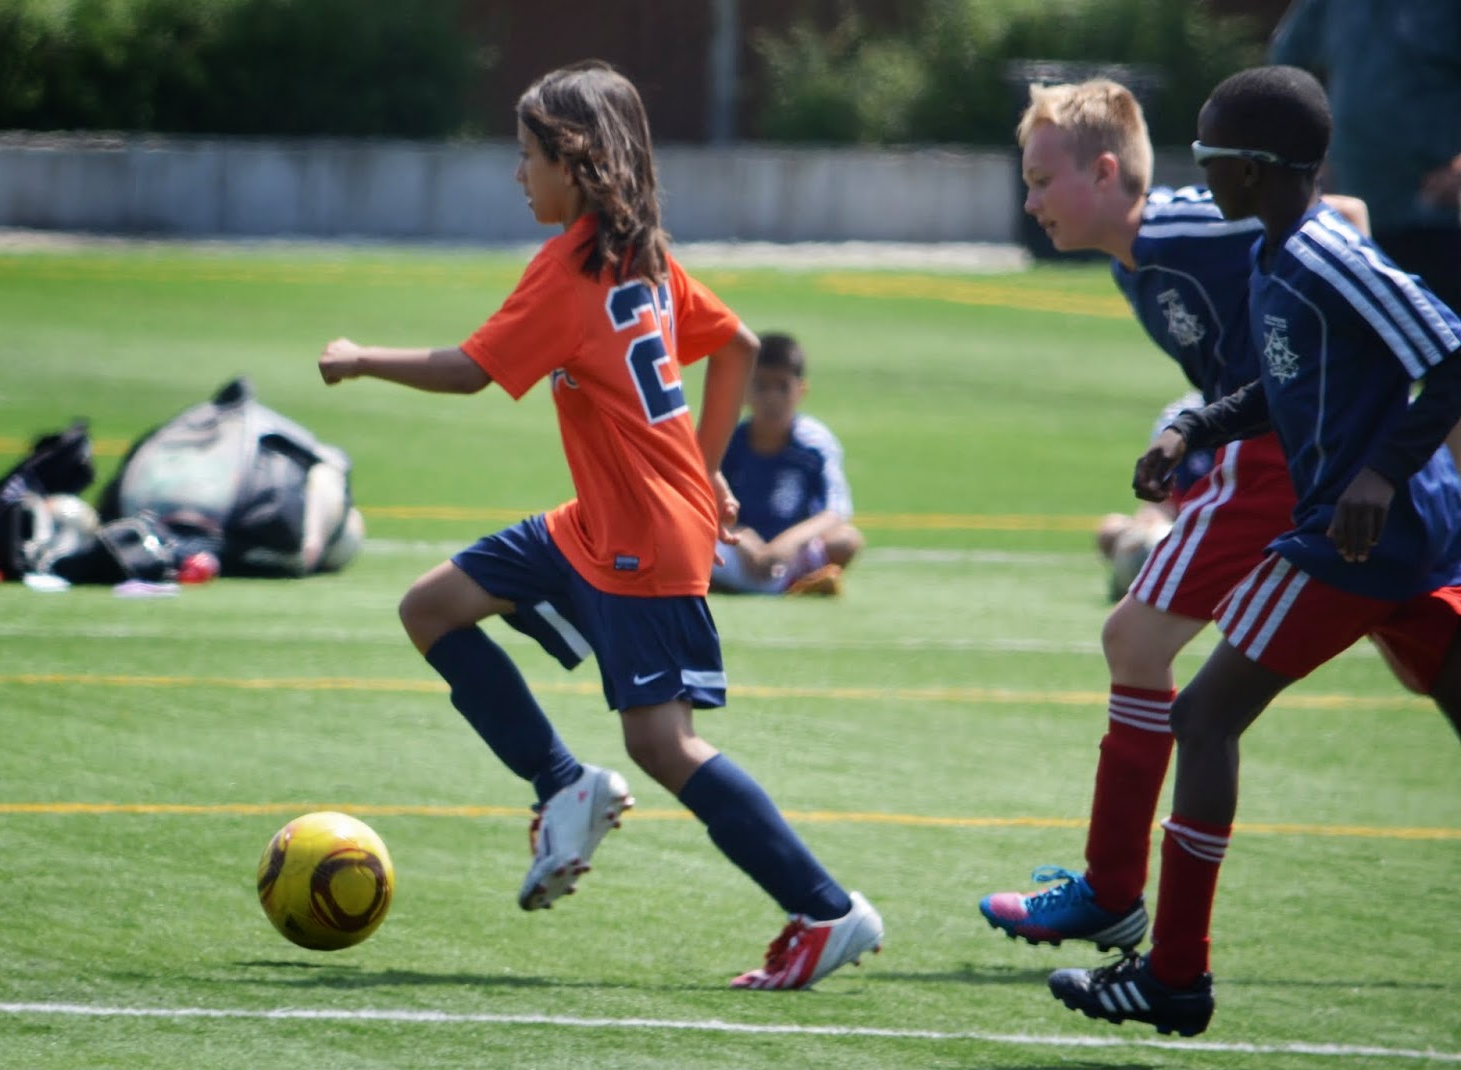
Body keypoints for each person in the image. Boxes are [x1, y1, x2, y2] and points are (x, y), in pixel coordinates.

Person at [316, 60, 882, 990]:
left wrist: (360, 357)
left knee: (662, 745)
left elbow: (470, 370)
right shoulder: (641, 259)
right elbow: (738, 346)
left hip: (641, 539)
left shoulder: (571, 269)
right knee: (432, 608)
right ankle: (561, 785)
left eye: (528, 154)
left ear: (576, 163)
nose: (518, 173)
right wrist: (705, 467)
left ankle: (825, 910)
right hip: (600, 522)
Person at [1047, 64, 1461, 1038]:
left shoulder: (1325, 255)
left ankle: (1173, 976)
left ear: (1252, 168)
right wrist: (1193, 428)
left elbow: (1450, 351)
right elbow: (1283, 387)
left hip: (1358, 538)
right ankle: (1169, 969)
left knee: (1202, 715)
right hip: (1396, 537)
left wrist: (1377, 474)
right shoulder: (1276, 255)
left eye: (1209, 155)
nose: (1196, 173)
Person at [978, 78, 1307, 957]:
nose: (1030, 201)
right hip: (1293, 456)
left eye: (1042, 181)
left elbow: (1331, 215)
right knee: (1434, 649)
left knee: (1135, 639)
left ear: (1105, 172)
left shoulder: (1183, 231)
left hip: (1286, 461)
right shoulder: (1136, 262)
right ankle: (1116, 893)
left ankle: (1113, 893)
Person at [1270, 0, 1461, 466]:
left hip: (1441, 220)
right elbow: (1284, 71)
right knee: (1353, 377)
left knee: (1451, 367)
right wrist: (1305, 152)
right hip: (1354, 225)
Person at [710, 332, 863, 597]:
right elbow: (702, 502)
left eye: (782, 387)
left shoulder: (815, 442)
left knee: (846, 540)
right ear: (743, 390)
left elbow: (836, 511)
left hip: (793, 553)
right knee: (682, 540)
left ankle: (777, 583)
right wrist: (741, 537)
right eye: (761, 386)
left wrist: (788, 544)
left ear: (801, 390)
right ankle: (793, 586)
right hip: (738, 548)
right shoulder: (727, 440)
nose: (772, 398)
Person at [1095, 391, 1214, 602]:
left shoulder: (1258, 405)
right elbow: (1159, 504)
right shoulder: (1182, 415)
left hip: (1230, 522)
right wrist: (1146, 530)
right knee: (1115, 531)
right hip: (1184, 521)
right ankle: (1133, 576)